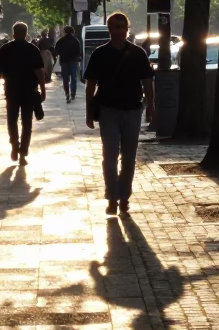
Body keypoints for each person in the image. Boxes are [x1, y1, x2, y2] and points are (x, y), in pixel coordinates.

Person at [84, 12, 155, 216]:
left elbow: (147, 82)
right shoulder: (100, 54)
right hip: (108, 111)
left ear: (127, 29)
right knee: (110, 156)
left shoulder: (138, 53)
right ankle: (112, 197)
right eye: (114, 27)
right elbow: (90, 84)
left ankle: (124, 197)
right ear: (109, 29)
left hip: (133, 110)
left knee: (129, 157)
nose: (118, 31)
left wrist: (151, 106)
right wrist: (89, 112)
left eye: (121, 27)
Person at [0, 22, 47, 166]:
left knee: (12, 121)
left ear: (13, 33)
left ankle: (14, 146)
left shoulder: (5, 49)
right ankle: (23, 152)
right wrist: (43, 90)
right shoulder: (32, 49)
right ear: (26, 33)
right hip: (29, 90)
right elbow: (39, 72)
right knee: (27, 122)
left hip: (11, 90)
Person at [55, 26, 83, 103]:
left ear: (64, 31)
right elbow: (78, 52)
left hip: (64, 61)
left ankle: (67, 94)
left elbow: (56, 50)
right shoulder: (76, 41)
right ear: (72, 31)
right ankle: (73, 93)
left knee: (65, 79)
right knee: (74, 77)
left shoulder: (60, 41)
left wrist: (62, 54)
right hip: (73, 61)